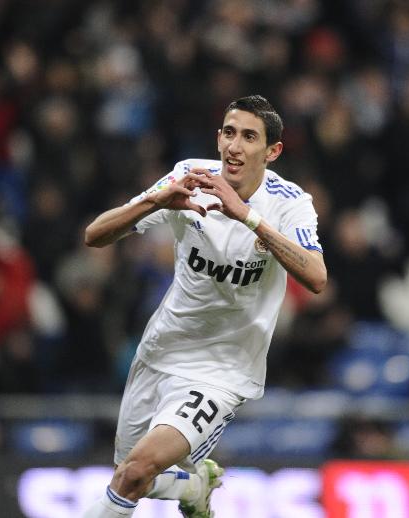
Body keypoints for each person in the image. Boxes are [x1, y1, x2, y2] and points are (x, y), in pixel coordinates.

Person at [81, 95, 327, 518]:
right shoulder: (188, 176)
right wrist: (155, 201)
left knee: (132, 473)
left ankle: (190, 483)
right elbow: (95, 235)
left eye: (249, 136)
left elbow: (317, 277)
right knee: (129, 474)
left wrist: (247, 217)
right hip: (162, 350)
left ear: (272, 151)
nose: (235, 145)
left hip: (222, 370)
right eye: (229, 133)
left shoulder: (290, 204)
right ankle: (194, 486)